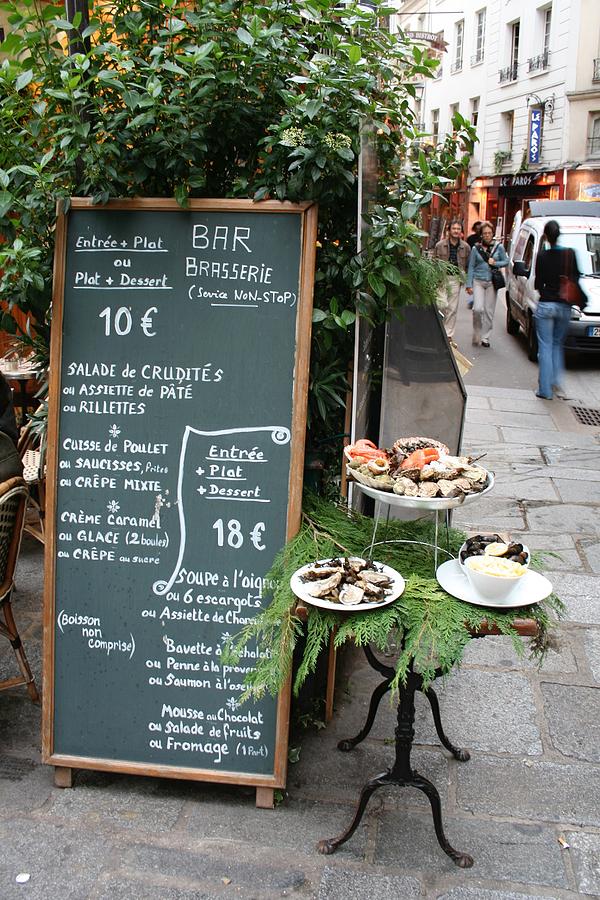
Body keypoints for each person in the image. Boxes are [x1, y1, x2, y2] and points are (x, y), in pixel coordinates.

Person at [533, 220, 585, 400]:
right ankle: (557, 385)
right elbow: (576, 279)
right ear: (559, 234)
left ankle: (545, 391)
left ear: (546, 237)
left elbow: (538, 284)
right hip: (564, 306)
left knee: (545, 346)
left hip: (546, 304)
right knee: (557, 345)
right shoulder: (570, 254)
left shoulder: (542, 256)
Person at [465, 221, 509, 348]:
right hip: (478, 281)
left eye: (489, 233)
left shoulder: (498, 247)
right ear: (481, 235)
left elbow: (506, 261)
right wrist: (469, 284)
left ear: (492, 233)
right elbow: (471, 266)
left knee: (489, 311)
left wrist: (495, 263)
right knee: (477, 309)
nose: (487, 235)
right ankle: (477, 331)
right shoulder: (475, 248)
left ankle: (485, 337)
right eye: (485, 233)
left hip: (491, 282)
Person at [433, 219, 470, 346]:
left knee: (452, 308)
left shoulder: (465, 247)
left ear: (461, 231)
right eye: (454, 228)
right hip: (442, 278)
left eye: (458, 229)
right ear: (449, 230)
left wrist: (466, 281)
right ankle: (439, 329)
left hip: (455, 278)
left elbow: (467, 265)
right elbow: (434, 262)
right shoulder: (440, 245)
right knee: (441, 304)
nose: (456, 231)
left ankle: (448, 335)